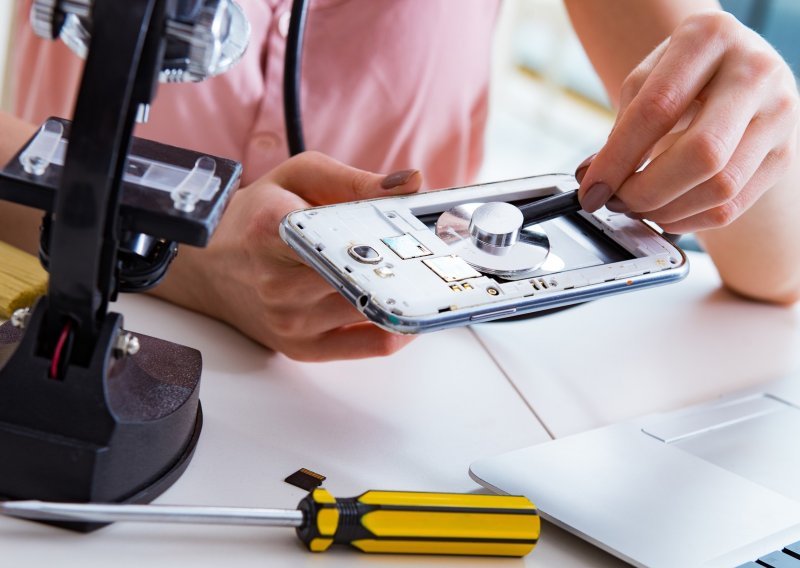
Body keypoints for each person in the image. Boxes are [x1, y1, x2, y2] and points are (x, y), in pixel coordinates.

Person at [1, 0, 799, 361]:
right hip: (41, 325)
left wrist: (757, 118)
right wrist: (192, 261)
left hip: (385, 416)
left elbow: (780, 265)